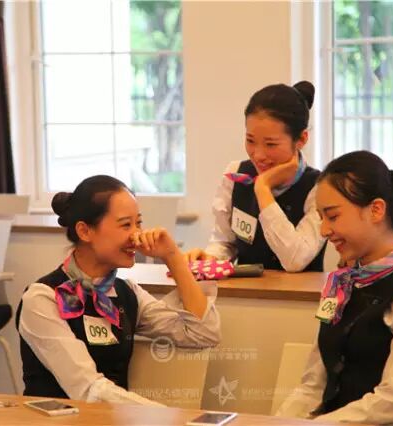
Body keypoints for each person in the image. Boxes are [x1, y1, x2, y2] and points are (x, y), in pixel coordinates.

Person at [277, 151, 393, 425]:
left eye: (333, 216)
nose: (324, 230)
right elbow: (312, 385)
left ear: (376, 210)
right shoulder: (343, 284)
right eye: (321, 218)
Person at [16, 175, 221, 404]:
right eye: (125, 225)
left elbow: (204, 334)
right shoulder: (43, 299)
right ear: (84, 231)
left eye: (138, 223)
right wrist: (164, 416)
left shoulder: (126, 293)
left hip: (114, 419)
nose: (136, 235)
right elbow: (89, 390)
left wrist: (172, 257)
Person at [185, 81, 326, 272]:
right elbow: (225, 243)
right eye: (250, 140)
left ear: (301, 139)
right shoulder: (236, 174)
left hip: (300, 292)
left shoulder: (320, 188)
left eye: (271, 144)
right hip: (247, 291)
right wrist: (210, 258)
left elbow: (295, 260)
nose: (258, 155)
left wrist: (263, 188)